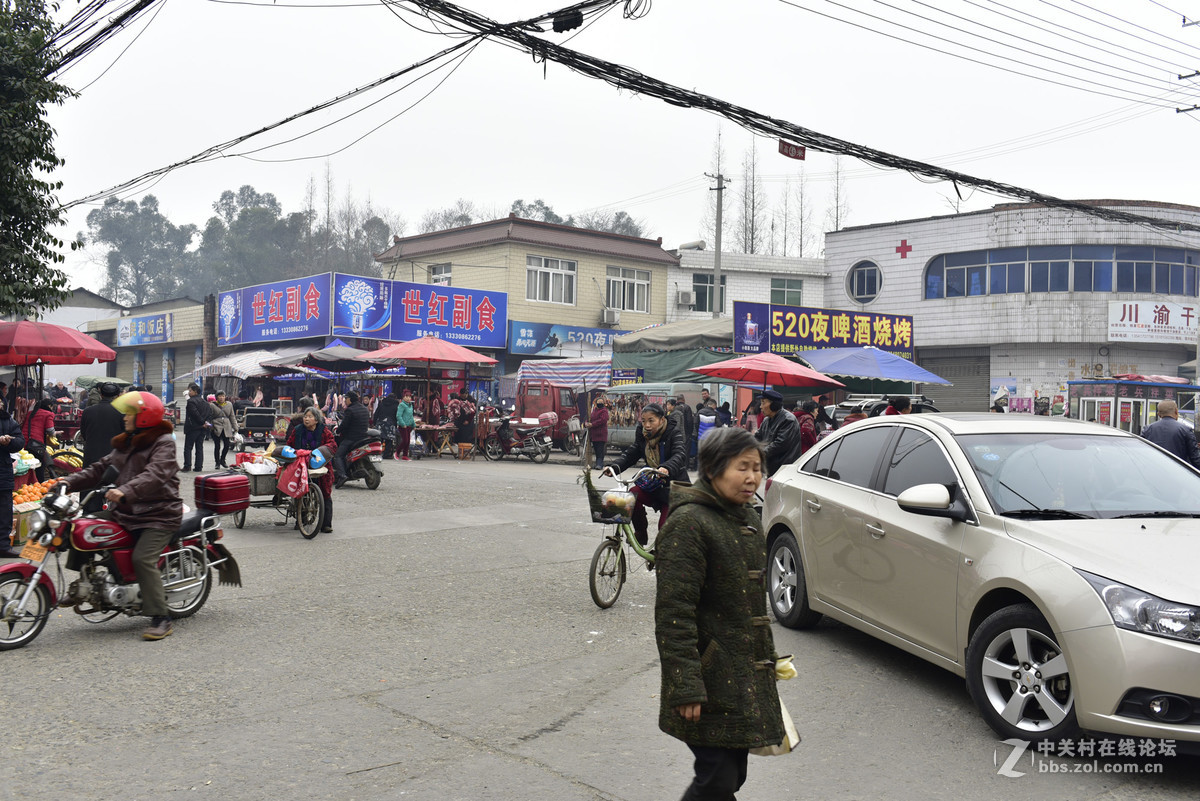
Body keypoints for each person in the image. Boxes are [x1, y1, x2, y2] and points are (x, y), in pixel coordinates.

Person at [654, 426, 785, 799]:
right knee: (717, 779)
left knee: (731, 776)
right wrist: (685, 685)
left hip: (740, 676)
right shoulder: (689, 524)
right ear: (712, 469)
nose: (752, 477)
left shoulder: (745, 517)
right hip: (709, 678)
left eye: (757, 467)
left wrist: (768, 660)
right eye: (742, 467)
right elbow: (673, 613)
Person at [60, 391, 181, 640]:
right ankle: (81, 586)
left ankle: (161, 617)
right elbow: (99, 469)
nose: (124, 417)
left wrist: (125, 490)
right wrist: (66, 482)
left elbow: (155, 474)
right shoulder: (127, 441)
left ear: (144, 418)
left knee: (142, 559)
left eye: (129, 413)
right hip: (127, 512)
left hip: (158, 514)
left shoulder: (163, 442)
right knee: (82, 526)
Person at [604, 403, 688, 547]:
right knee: (632, 496)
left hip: (673, 490)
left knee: (664, 531)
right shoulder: (643, 436)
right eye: (644, 421)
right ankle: (641, 534)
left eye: (651, 420)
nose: (647, 425)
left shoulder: (673, 432)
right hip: (654, 484)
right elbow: (631, 454)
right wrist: (614, 467)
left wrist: (666, 468)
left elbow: (679, 454)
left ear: (662, 420)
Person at [287, 407, 337, 533]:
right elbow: (289, 445)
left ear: (316, 419)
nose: (306, 419)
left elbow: (332, 445)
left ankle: (326, 524)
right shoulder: (297, 430)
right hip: (301, 465)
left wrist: (322, 452)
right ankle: (301, 520)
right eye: (305, 416)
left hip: (322, 466)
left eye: (310, 416)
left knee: (325, 493)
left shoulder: (324, 431)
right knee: (301, 492)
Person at [79, 381, 126, 472]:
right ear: (117, 396)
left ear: (101, 395)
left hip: (91, 457)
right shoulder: (122, 412)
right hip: (113, 459)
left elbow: (84, 434)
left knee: (89, 483)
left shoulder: (88, 411)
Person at [755, 389, 802, 476]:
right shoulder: (766, 420)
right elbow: (757, 437)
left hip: (784, 469)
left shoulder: (788, 420)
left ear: (773, 405)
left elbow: (780, 444)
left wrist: (759, 453)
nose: (760, 407)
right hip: (772, 468)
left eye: (763, 403)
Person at [1141, 400, 1200, 468]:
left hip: (1153, 470)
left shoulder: (1147, 429)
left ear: (1159, 414)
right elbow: (1195, 459)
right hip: (1178, 473)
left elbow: (1141, 454)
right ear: (1176, 411)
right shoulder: (1186, 430)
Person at [0, 407, 26, 558]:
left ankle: (3, 546)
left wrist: (9, 442)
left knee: (4, 511)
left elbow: (20, 441)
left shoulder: (8, 421)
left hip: (2, 471)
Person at [334, 390, 369, 487]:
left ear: (350, 399)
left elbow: (344, 425)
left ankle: (342, 475)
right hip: (363, 437)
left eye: (346, 398)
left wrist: (337, 431)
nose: (345, 400)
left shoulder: (350, 410)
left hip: (351, 438)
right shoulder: (364, 409)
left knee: (338, 456)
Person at [21, 398, 56, 482]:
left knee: (27, 465)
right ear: (49, 406)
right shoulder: (48, 414)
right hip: (36, 443)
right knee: (40, 465)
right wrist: (56, 433)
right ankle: (39, 485)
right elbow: (50, 431)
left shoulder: (30, 413)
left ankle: (27, 483)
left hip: (24, 441)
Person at [182, 383, 212, 473]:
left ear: (195, 392)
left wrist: (202, 422)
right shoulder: (205, 403)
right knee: (199, 447)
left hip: (193, 428)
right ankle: (198, 467)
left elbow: (195, 414)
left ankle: (187, 466)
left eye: (190, 391)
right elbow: (209, 414)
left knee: (188, 447)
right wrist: (206, 423)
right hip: (202, 428)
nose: (189, 392)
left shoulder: (191, 402)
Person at [209, 390, 236, 469]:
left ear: (225, 397)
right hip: (216, 427)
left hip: (226, 426)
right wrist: (211, 426)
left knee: (227, 445)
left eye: (223, 396)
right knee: (217, 446)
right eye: (220, 396)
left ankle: (222, 459)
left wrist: (235, 427)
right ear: (216, 397)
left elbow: (232, 416)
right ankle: (217, 462)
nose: (221, 398)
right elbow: (209, 416)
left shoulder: (229, 404)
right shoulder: (212, 405)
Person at [585, 395, 609, 470]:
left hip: (601, 434)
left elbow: (602, 420)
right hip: (594, 434)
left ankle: (599, 464)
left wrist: (592, 424)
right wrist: (587, 423)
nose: (600, 404)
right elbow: (589, 418)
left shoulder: (604, 411)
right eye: (598, 402)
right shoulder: (594, 410)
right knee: (596, 450)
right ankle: (597, 463)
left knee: (600, 450)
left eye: (601, 402)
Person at [373, 391, 400, 459]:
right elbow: (397, 416)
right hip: (390, 424)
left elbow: (376, 414)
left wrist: (374, 423)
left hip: (380, 423)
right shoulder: (396, 405)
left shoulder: (382, 403)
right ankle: (386, 455)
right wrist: (396, 424)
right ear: (395, 398)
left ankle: (376, 452)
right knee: (389, 440)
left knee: (379, 439)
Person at [677, 394, 696, 470]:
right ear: (683, 399)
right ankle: (685, 466)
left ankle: (677, 465)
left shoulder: (674, 407)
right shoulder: (687, 407)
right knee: (686, 450)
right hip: (686, 432)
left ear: (677, 400)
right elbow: (689, 421)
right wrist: (690, 432)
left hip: (676, 432)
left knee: (677, 449)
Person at [395, 390, 415, 461]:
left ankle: (405, 455)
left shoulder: (410, 405)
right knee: (405, 440)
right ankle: (397, 452)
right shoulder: (402, 405)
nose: (408, 398)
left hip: (409, 425)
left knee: (408, 441)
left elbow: (411, 416)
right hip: (403, 426)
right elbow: (398, 415)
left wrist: (414, 424)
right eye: (407, 396)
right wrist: (402, 424)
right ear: (403, 397)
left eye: (410, 396)